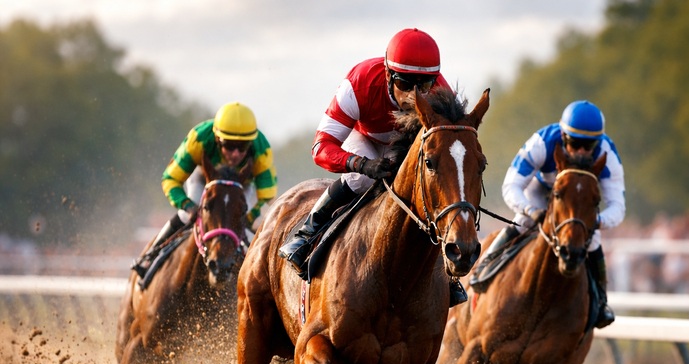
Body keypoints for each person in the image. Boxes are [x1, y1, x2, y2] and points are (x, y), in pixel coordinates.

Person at [278, 28, 468, 306]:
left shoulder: (441, 92)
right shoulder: (359, 83)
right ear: (389, 75)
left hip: (409, 145)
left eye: (424, 85)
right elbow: (321, 147)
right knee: (360, 181)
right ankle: (308, 233)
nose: (415, 95)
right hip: (365, 138)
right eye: (405, 83)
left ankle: (446, 275)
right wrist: (362, 164)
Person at [474, 100, 625, 328]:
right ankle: (485, 266)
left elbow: (618, 206)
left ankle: (601, 300)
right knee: (523, 221)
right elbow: (511, 185)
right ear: (564, 137)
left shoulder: (607, 154)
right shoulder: (543, 142)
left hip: (578, 202)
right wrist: (532, 210)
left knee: (592, 238)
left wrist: (595, 221)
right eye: (576, 144)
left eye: (589, 145)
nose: (583, 152)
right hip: (541, 190)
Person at [131, 102, 278, 277]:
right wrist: (187, 205)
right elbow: (171, 179)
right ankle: (151, 257)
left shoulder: (261, 148)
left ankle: (269, 277)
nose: (236, 153)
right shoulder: (199, 138)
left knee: (254, 224)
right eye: (230, 145)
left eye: (243, 147)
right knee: (186, 215)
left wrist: (247, 217)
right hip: (204, 178)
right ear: (217, 139)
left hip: (241, 186)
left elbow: (267, 194)